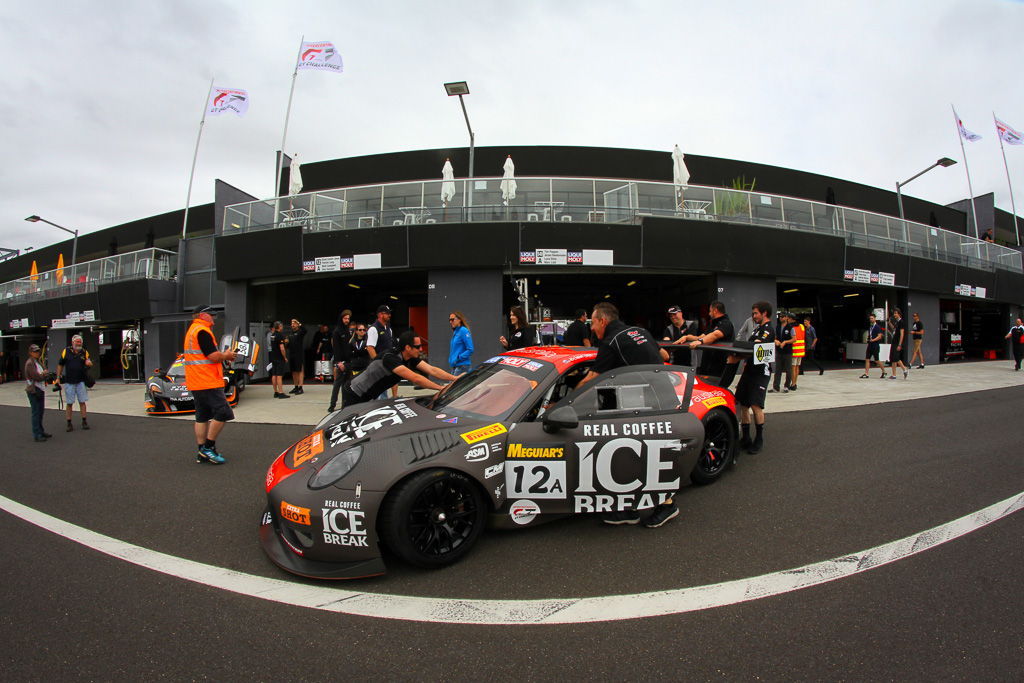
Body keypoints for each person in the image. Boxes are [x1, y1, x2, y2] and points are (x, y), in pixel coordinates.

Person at [577, 302, 677, 528]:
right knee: (634, 453)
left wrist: (564, 402)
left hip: (654, 403)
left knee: (651, 455)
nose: (592, 328)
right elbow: (662, 354)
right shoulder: (639, 331)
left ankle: (668, 505)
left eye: (593, 323)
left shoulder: (610, 342)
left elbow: (591, 378)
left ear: (603, 320)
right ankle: (629, 508)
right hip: (660, 396)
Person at [343, 331, 457, 406]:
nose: (421, 349)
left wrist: (454, 378)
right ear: (408, 347)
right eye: (417, 347)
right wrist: (440, 388)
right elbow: (416, 378)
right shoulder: (390, 357)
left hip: (368, 395)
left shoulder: (410, 357)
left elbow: (432, 370)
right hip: (354, 392)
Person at [184, 305, 238, 464]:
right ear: (202, 315)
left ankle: (201, 451)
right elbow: (213, 356)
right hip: (207, 380)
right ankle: (208, 447)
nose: (214, 319)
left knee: (202, 416)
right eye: (211, 315)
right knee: (223, 412)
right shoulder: (202, 331)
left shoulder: (192, 331)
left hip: (196, 381)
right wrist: (227, 355)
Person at [735, 301, 775, 456]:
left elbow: (757, 345)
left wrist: (747, 347)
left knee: (755, 405)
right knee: (743, 404)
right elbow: (749, 344)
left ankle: (759, 439)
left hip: (760, 373)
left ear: (764, 313)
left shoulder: (768, 329)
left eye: (755, 313)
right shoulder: (757, 329)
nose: (753, 316)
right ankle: (746, 438)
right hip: (749, 370)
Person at [681, 301, 735, 386]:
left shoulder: (726, 324)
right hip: (707, 366)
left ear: (715, 310)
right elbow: (701, 337)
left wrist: (700, 342)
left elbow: (715, 335)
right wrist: (687, 337)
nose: (709, 314)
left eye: (710, 311)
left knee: (717, 390)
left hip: (718, 367)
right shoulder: (712, 324)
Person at [57, 333, 93, 432]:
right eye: (77, 341)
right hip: (69, 381)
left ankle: (84, 421)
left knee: (82, 402)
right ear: (73, 342)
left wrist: (89, 364)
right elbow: (60, 364)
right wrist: (58, 377)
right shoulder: (66, 351)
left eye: (80, 342)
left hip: (81, 381)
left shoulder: (84, 352)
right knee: (69, 403)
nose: (79, 343)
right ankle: (69, 423)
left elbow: (89, 362)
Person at [367, 305, 398, 399]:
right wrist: (378, 363)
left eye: (390, 313)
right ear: (380, 314)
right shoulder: (373, 329)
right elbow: (370, 348)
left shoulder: (389, 329)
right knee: (378, 394)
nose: (389, 315)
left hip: (387, 364)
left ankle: (393, 399)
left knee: (384, 390)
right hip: (379, 366)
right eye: (387, 313)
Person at [24, 344, 52, 442]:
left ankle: (41, 430)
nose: (37, 353)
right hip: (34, 390)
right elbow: (37, 377)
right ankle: (37, 434)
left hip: (40, 389)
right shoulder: (30, 363)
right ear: (30, 352)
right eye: (35, 351)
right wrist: (43, 374)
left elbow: (45, 373)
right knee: (36, 412)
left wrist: (44, 374)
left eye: (38, 351)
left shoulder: (38, 361)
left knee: (40, 412)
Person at [327, 311, 352, 412]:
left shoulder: (349, 331)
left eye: (348, 319)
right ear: (341, 319)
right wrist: (338, 362)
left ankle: (345, 405)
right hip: (341, 362)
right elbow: (336, 348)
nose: (347, 320)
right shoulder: (337, 331)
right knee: (337, 384)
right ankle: (332, 405)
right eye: (345, 318)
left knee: (346, 385)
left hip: (349, 361)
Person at [771, 312, 793, 393]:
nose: (781, 318)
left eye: (783, 317)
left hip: (787, 352)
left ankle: (787, 386)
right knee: (778, 370)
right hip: (779, 351)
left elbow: (794, 339)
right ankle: (776, 387)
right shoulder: (778, 327)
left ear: (786, 317)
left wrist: (785, 342)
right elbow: (775, 337)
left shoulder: (790, 327)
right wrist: (775, 340)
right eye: (780, 317)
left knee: (788, 370)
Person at [448, 311, 474, 375]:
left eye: (452, 319)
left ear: (459, 320)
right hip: (456, 365)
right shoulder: (456, 331)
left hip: (462, 366)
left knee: (453, 385)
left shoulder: (463, 330)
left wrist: (459, 358)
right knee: (453, 384)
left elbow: (470, 349)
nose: (450, 322)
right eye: (449, 320)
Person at [269, 321, 290, 399]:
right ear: (279, 327)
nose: (282, 327)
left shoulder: (272, 335)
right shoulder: (280, 335)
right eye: (281, 326)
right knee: (279, 375)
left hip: (273, 357)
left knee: (274, 375)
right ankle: (281, 392)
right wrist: (284, 357)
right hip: (279, 357)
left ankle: (275, 392)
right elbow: (282, 348)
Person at [860, 313, 886, 378]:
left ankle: (884, 371)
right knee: (867, 359)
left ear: (875, 318)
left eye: (872, 318)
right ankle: (866, 373)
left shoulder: (877, 327)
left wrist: (873, 340)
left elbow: (879, 336)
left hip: (875, 345)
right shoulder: (870, 327)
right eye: (870, 318)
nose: (871, 319)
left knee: (876, 360)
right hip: (870, 345)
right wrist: (868, 339)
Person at [888, 308, 909, 379]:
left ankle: (904, 369)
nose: (894, 314)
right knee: (893, 358)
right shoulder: (897, 322)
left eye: (896, 313)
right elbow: (894, 329)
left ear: (899, 314)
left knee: (896, 358)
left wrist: (900, 344)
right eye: (894, 313)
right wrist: (889, 323)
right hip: (894, 342)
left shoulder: (901, 322)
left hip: (897, 342)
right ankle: (894, 375)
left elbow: (902, 334)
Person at [287, 318, 306, 394]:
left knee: (300, 370)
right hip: (292, 354)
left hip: (299, 354)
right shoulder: (290, 333)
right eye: (291, 323)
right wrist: (286, 343)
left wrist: (299, 323)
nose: (292, 325)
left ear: (297, 325)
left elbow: (305, 330)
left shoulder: (300, 332)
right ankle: (296, 387)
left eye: (294, 323)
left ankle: (301, 387)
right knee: (294, 371)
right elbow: (288, 345)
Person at [788, 313, 805, 391]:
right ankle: (795, 383)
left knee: (793, 367)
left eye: (789, 318)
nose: (788, 319)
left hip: (794, 349)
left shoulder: (791, 327)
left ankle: (793, 384)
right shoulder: (801, 326)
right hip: (801, 350)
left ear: (792, 319)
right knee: (797, 367)